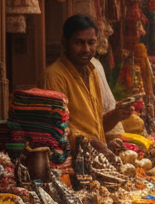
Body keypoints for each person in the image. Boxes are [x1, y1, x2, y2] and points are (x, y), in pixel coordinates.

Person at [40, 14, 135, 153]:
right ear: (64, 42)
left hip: (93, 159)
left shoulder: (92, 71)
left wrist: (115, 115)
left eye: (91, 43)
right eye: (79, 42)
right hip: (69, 163)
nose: (86, 49)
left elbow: (95, 127)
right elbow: (54, 131)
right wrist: (91, 142)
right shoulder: (53, 76)